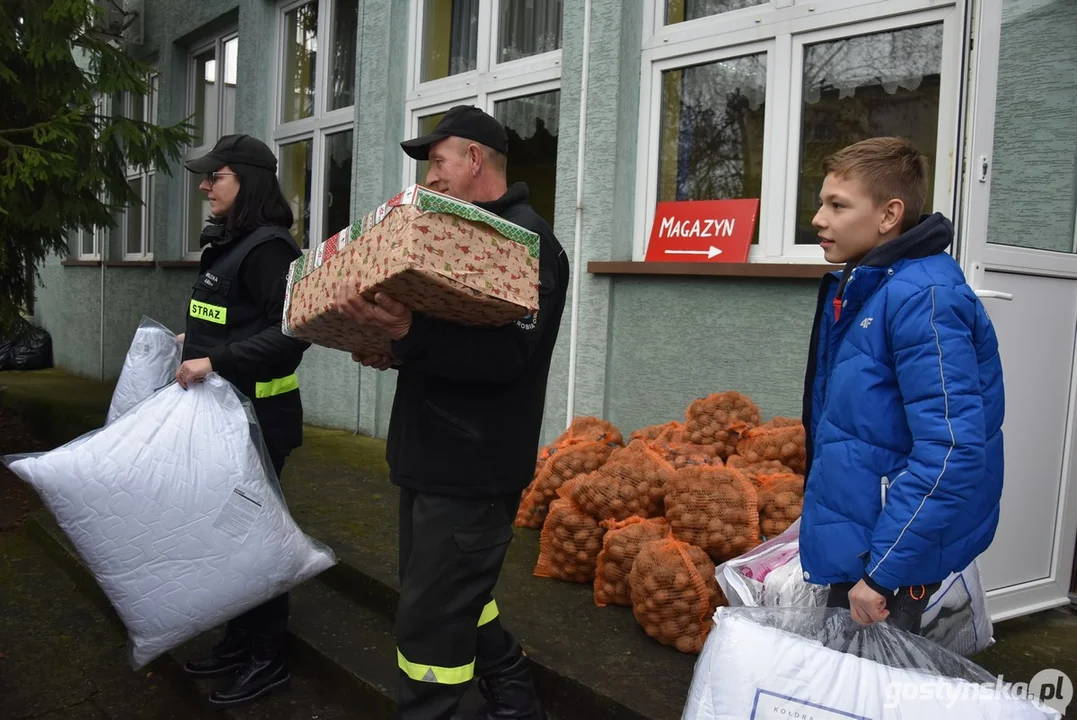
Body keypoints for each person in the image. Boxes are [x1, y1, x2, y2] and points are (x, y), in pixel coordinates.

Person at [334, 105, 569, 720]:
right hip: (429, 457)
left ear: (473, 159)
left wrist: (409, 334)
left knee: (429, 629)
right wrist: (393, 347)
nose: (428, 178)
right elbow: (440, 344)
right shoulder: (452, 236)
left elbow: (509, 356)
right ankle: (515, 694)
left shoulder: (527, 243)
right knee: (451, 592)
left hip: (472, 470)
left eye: (436, 162)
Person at [800, 136, 1005, 635]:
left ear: (889, 214)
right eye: (821, 203)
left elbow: (950, 450)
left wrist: (882, 573)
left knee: (873, 694)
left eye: (837, 205)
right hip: (867, 539)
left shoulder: (925, 299)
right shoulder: (873, 284)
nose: (818, 219)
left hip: (888, 562)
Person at [173, 133, 311, 706]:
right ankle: (239, 638)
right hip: (225, 419)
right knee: (230, 538)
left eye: (216, 176)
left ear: (248, 181)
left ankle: (267, 657)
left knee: (256, 541)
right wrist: (195, 340)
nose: (204, 185)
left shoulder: (270, 249)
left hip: (258, 421)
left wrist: (216, 358)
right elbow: (231, 316)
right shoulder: (230, 244)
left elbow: (291, 334)